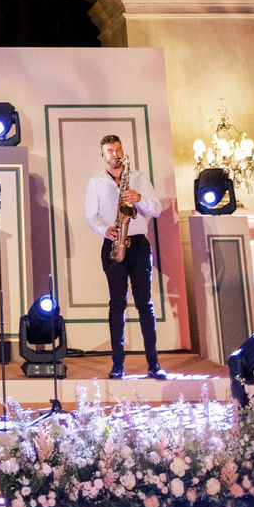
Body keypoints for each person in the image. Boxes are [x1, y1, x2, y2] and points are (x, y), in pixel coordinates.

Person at [84, 132, 167, 381]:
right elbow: (90, 215)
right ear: (103, 155)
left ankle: (153, 364)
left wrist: (139, 198)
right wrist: (104, 230)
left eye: (118, 149)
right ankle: (118, 365)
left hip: (139, 245)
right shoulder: (96, 182)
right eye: (110, 150)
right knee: (117, 305)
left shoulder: (138, 178)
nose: (115, 154)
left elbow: (157, 209)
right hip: (114, 243)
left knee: (145, 306)